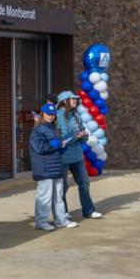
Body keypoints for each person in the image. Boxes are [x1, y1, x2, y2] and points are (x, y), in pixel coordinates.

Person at [56, 91, 101, 219]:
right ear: (64, 101)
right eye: (72, 99)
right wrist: (76, 137)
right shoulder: (58, 117)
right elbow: (61, 139)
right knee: (63, 187)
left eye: (75, 99)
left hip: (78, 156)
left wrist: (84, 136)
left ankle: (89, 211)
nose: (75, 100)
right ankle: (63, 213)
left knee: (84, 183)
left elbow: (82, 133)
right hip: (63, 157)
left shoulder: (76, 115)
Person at [31, 103, 75, 231]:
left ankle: (61, 221)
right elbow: (39, 148)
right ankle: (41, 222)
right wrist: (55, 145)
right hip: (45, 168)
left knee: (58, 196)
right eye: (48, 114)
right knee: (44, 197)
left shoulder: (54, 128)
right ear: (42, 114)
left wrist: (62, 146)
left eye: (53, 115)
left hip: (56, 166)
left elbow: (55, 145)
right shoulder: (37, 130)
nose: (51, 117)